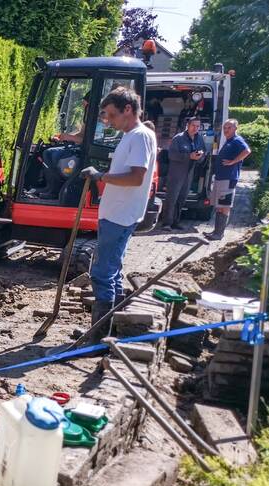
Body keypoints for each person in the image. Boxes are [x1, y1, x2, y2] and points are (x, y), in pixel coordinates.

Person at [79, 87, 157, 341]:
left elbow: (136, 177)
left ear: (127, 109)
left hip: (120, 215)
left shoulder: (140, 136)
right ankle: (108, 330)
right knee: (111, 271)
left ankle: (98, 335)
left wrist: (101, 176)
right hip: (117, 213)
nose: (108, 121)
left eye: (112, 115)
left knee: (102, 273)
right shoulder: (131, 135)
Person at [35, 97, 94, 200]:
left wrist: (68, 137)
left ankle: (54, 191)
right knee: (47, 152)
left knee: (50, 154)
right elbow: (80, 134)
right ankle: (49, 187)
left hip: (85, 153)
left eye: (85, 105)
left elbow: (88, 141)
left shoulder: (97, 118)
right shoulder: (88, 116)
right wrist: (64, 136)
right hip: (79, 148)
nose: (83, 107)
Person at [206, 119, 250, 241]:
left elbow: (247, 151)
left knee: (224, 206)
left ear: (236, 128)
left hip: (228, 178)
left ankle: (219, 234)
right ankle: (216, 231)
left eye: (229, 128)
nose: (226, 130)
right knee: (219, 206)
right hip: (221, 178)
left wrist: (233, 161)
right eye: (225, 128)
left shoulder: (237, 140)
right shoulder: (228, 141)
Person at [161, 117, 205, 229]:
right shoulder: (178, 138)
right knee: (172, 198)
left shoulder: (199, 139)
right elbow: (172, 155)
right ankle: (167, 223)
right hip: (176, 173)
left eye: (198, 126)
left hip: (189, 173)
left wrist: (199, 157)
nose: (196, 128)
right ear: (188, 125)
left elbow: (203, 154)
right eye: (193, 125)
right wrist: (188, 156)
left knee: (182, 198)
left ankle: (176, 221)